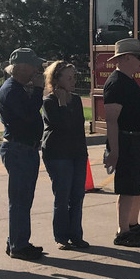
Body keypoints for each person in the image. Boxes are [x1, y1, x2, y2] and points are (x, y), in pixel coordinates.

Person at [102, 38, 140, 247]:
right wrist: (114, 151)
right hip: (126, 140)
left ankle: (133, 224)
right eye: (138, 58)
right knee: (127, 187)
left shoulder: (128, 81)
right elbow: (111, 120)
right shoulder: (115, 83)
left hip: (138, 139)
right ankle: (122, 231)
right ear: (127, 58)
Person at [0, 47, 46, 260]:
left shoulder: (17, 88)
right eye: (33, 65)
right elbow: (28, 114)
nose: (37, 69)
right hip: (19, 149)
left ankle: (17, 241)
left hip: (25, 148)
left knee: (23, 199)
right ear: (21, 67)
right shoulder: (11, 90)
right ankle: (19, 245)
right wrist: (37, 90)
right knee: (20, 200)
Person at [42, 60, 90, 250]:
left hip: (77, 153)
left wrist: (84, 154)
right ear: (56, 78)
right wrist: (62, 105)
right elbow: (61, 126)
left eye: (74, 77)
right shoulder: (49, 101)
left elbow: (78, 128)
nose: (73, 81)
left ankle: (76, 235)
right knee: (62, 196)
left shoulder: (76, 99)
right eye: (69, 78)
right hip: (58, 154)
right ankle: (61, 237)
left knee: (77, 195)